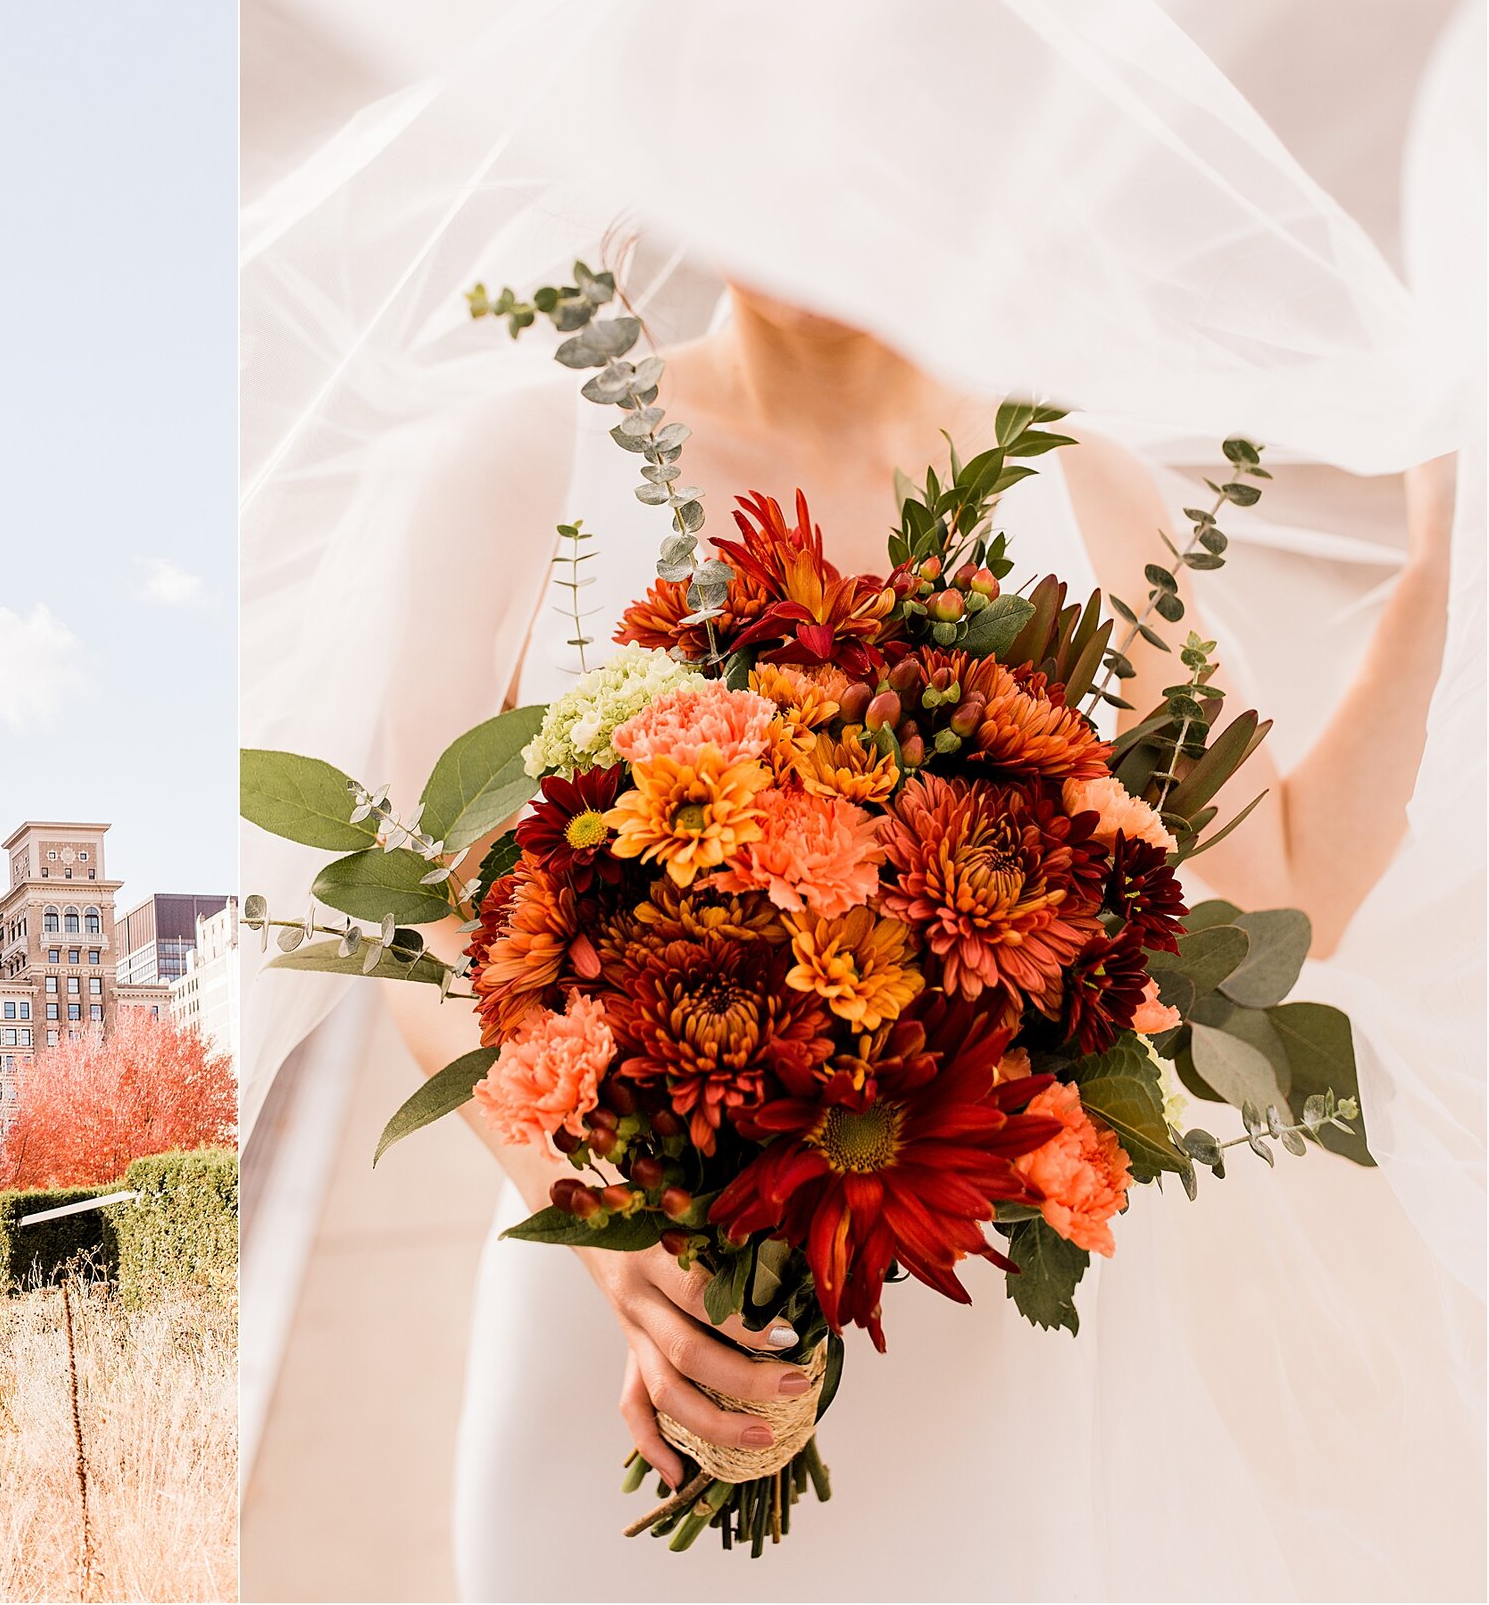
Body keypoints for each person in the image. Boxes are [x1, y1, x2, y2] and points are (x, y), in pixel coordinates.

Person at [371, 280, 1462, 1598]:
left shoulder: (1086, 491)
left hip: (961, 1355)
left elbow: (1292, 883)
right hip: (638, 1331)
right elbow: (410, 924)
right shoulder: (523, 460)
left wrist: (1447, 561)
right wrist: (593, 1213)